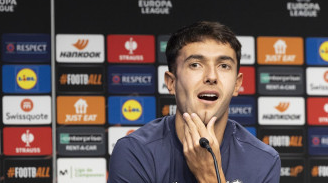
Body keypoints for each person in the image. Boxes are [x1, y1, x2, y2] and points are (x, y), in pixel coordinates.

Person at [108, 21, 281, 183]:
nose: (211, 77)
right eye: (196, 65)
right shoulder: (136, 151)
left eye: (224, 66)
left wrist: (210, 177)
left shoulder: (263, 161)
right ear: (171, 82)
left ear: (237, 84)